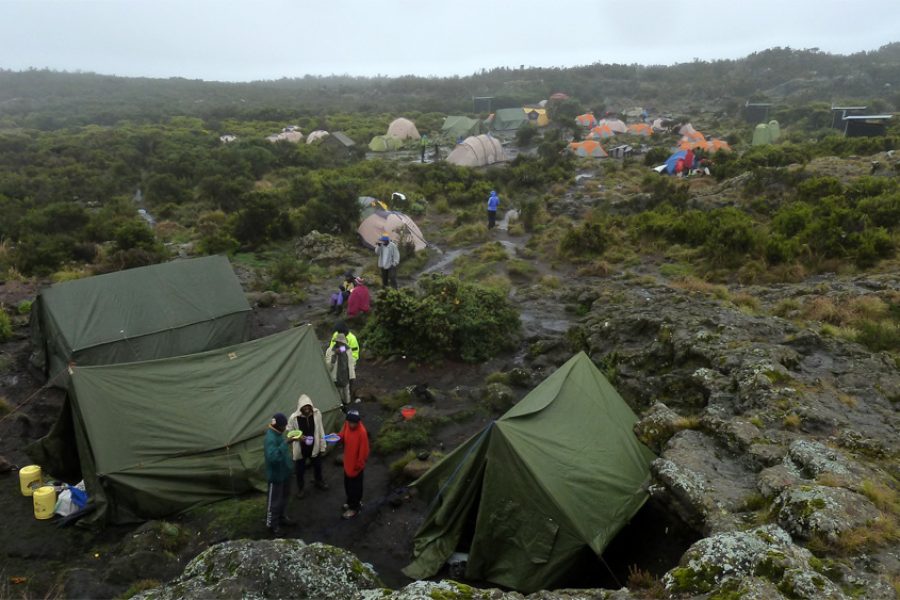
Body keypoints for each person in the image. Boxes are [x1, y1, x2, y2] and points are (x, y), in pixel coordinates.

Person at [287, 394, 328, 498]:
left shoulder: (317, 414)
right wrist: (299, 437)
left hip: (314, 446)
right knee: (300, 471)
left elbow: (321, 430)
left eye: (308, 406)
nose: (306, 408)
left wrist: (323, 446)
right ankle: (301, 489)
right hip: (301, 448)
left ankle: (319, 481)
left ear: (311, 406)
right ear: (300, 407)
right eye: (304, 406)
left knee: (318, 466)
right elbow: (290, 432)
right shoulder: (294, 418)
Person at [264, 412, 296, 536]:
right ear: (278, 426)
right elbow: (273, 457)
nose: (285, 428)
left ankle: (282, 517)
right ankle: (272, 525)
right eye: (284, 426)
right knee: (274, 501)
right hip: (276, 476)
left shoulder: (278, 433)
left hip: (285, 473)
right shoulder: (270, 438)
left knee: (284, 497)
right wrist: (286, 443)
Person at [337, 409, 369, 519]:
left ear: (358, 421)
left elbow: (364, 452)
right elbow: (342, 435)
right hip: (348, 462)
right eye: (350, 422)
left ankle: (354, 508)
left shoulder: (362, 432)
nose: (351, 424)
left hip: (356, 466)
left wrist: (358, 465)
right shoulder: (346, 424)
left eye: (354, 422)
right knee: (348, 485)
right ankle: (350, 502)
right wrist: (336, 437)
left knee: (355, 487)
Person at [325, 333, 356, 409]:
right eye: (339, 343)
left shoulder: (347, 349)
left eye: (342, 343)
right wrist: (335, 355)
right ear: (336, 342)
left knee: (346, 396)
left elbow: (351, 363)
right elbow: (328, 367)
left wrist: (352, 375)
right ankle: (338, 408)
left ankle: (346, 406)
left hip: (346, 376)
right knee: (337, 396)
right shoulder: (330, 351)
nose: (341, 345)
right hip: (335, 378)